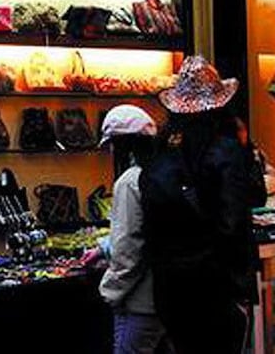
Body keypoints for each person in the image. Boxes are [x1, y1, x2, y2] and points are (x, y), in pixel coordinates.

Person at [141, 56, 256, 354]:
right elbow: (233, 221)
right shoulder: (224, 149)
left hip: (170, 282)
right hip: (215, 282)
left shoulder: (162, 150)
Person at [84, 105, 173, 354]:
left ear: (122, 144)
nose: (111, 151)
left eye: (112, 144)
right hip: (172, 294)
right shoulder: (169, 170)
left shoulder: (129, 182)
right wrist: (104, 247)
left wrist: (109, 291)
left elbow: (129, 247)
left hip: (141, 301)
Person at [235, 117, 275, 199]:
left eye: (244, 130)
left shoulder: (252, 149)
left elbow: (269, 170)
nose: (244, 133)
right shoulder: (230, 154)